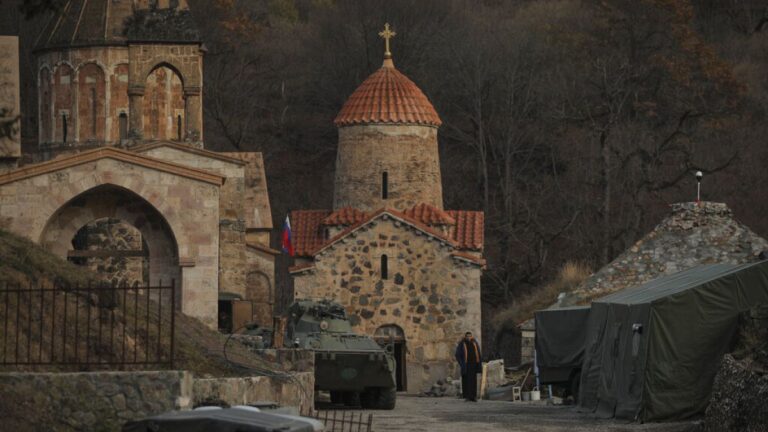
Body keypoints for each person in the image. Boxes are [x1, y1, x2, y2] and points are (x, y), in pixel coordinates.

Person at [455, 331, 482, 401]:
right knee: (466, 381)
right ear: (465, 337)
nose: (469, 338)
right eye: (467, 336)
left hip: (473, 364)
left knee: (473, 381)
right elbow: (457, 354)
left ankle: (473, 396)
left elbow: (478, 353)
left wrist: (478, 363)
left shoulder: (474, 343)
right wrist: (462, 363)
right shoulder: (462, 343)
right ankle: (467, 396)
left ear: (471, 336)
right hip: (466, 365)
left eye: (470, 336)